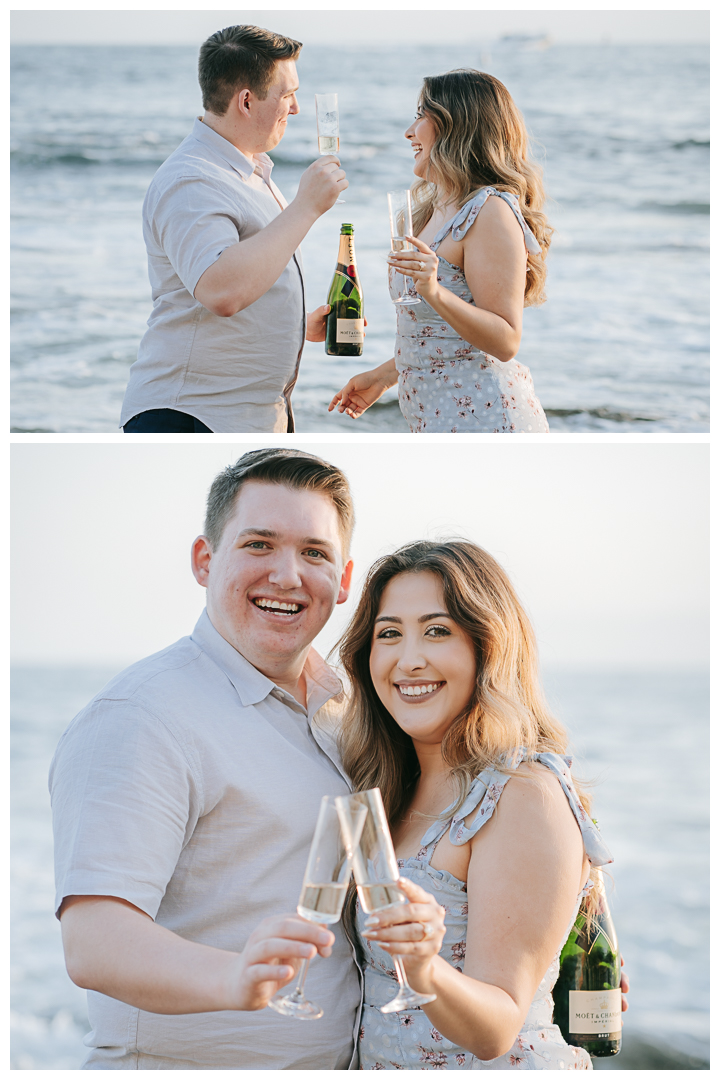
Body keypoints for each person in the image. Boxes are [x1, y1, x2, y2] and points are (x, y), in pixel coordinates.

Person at [49, 449, 361, 1068]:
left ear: (344, 579)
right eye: (259, 544)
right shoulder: (143, 716)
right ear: (204, 560)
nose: (288, 574)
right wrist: (234, 977)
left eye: (314, 553)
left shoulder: (349, 708)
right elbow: (93, 941)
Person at [335, 540, 614, 1068]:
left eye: (437, 631)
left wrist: (423, 967)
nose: (408, 659)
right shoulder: (383, 786)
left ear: (488, 647)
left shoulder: (521, 791)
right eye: (388, 633)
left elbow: (498, 1026)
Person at [120, 26, 347, 434]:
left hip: (242, 418)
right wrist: (307, 207)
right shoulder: (191, 180)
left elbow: (250, 269)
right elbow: (221, 289)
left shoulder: (247, 169)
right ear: (246, 100)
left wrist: (297, 323)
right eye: (287, 94)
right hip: (190, 416)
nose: (294, 109)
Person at [329, 70, 551, 432]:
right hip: (436, 417)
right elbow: (441, 338)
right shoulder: (432, 208)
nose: (408, 131)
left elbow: (505, 339)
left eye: (421, 115)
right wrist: (386, 375)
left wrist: (432, 290)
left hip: (487, 419)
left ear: (456, 126)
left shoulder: (489, 211)